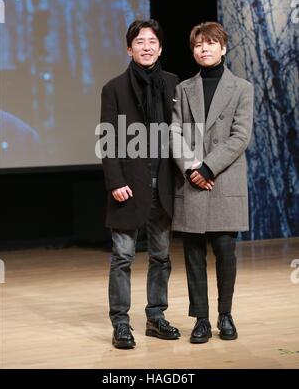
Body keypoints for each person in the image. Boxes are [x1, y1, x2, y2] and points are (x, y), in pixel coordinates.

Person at [170, 22, 254, 343]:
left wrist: (208, 167)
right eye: (198, 45)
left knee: (225, 252)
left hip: (223, 179)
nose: (204, 49)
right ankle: (201, 319)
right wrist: (193, 167)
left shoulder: (242, 88)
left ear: (223, 47)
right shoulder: (183, 88)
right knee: (193, 254)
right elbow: (174, 132)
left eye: (210, 43)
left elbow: (240, 137)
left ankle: (225, 315)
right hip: (192, 180)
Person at [100, 19, 180, 349]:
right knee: (123, 257)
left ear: (160, 48)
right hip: (128, 187)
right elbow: (108, 139)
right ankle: (120, 323)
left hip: (163, 186)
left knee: (161, 257)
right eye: (140, 41)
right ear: (129, 48)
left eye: (152, 42)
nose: (146, 47)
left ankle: (155, 317)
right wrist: (115, 181)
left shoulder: (174, 84)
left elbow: (183, 136)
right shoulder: (114, 88)